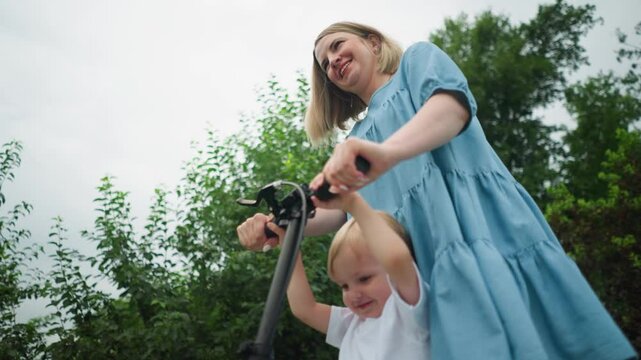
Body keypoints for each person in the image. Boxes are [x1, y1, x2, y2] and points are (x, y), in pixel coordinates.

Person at [238, 22, 637, 359]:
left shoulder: (416, 63)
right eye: (325, 63)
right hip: (422, 268)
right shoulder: (352, 142)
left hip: (483, 228)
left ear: (372, 43)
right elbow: (340, 211)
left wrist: (387, 153)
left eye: (338, 45)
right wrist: (281, 225)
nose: (333, 61)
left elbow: (452, 109)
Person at [237, 189, 430, 359]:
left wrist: (353, 203)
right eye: (344, 285)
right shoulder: (353, 324)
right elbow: (304, 309)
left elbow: (397, 257)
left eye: (364, 279)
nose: (353, 293)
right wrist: (289, 244)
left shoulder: (407, 310)